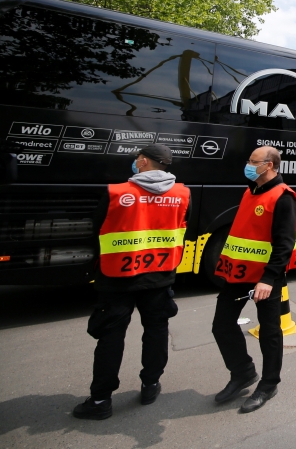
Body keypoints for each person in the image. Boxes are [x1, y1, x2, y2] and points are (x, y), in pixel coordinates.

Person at [73, 144, 190, 420]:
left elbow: (96, 230)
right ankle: (150, 385)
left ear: (144, 161)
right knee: (157, 331)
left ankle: (101, 400)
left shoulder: (117, 192)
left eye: (138, 159)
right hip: (160, 276)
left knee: (111, 336)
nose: (136, 162)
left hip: (117, 278)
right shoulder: (182, 194)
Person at [212, 146, 296, 413]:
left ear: (270, 165)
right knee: (222, 325)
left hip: (265, 279)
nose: (248, 165)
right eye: (248, 160)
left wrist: (269, 278)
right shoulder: (250, 191)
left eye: (254, 161)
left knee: (270, 332)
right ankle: (243, 373)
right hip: (238, 275)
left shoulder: (283, 197)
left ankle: (269, 384)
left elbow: (285, 244)